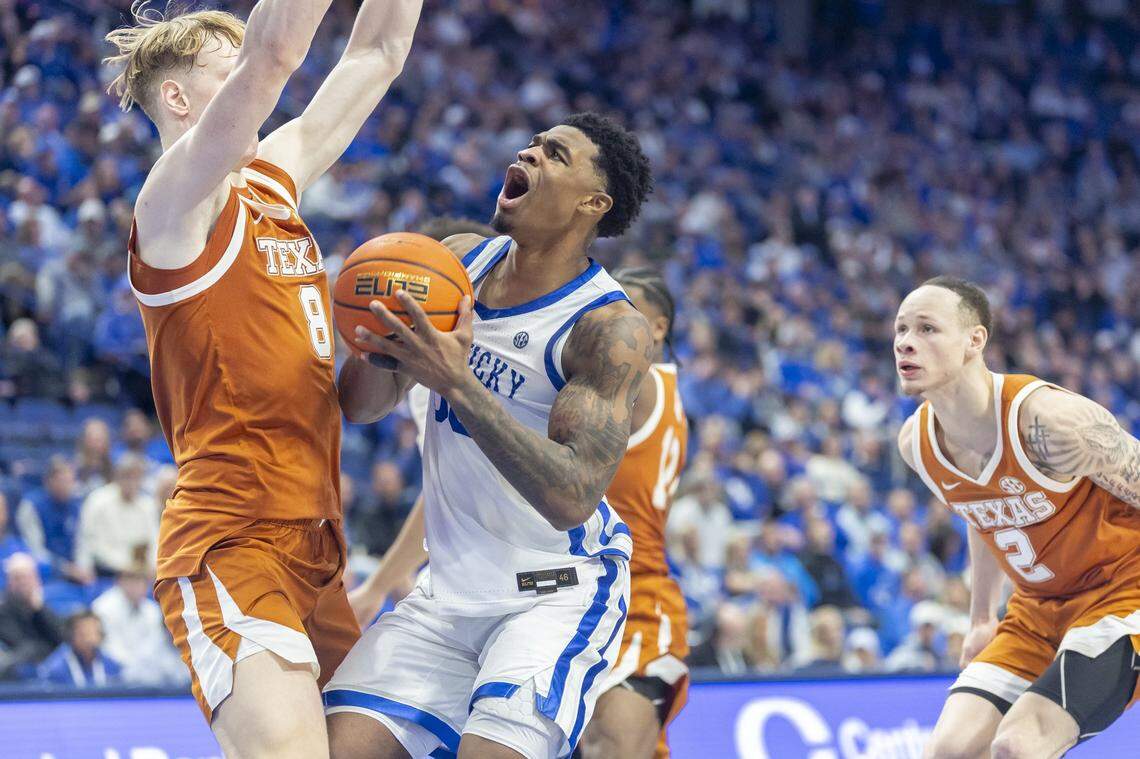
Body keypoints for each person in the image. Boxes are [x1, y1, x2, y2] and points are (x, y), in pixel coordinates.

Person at [102, 1, 423, 755]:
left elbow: (377, 54)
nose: (255, 77)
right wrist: (261, 57)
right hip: (231, 539)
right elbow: (275, 55)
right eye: (229, 66)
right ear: (179, 97)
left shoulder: (271, 185)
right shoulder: (173, 201)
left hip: (318, 542)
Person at [327, 113, 653, 759]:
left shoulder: (607, 328)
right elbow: (359, 407)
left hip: (556, 591)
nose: (529, 153)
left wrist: (458, 383)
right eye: (532, 143)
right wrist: (376, 337)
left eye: (555, 154)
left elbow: (572, 495)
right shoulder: (452, 264)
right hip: (447, 592)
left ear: (594, 203)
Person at [895, 276, 1140, 758]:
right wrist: (982, 617)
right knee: (947, 753)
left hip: (1121, 591)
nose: (905, 341)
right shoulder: (916, 444)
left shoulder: (1050, 423)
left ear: (974, 340)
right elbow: (981, 513)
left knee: (1019, 745)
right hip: (1036, 607)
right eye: (900, 329)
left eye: (927, 329)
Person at [580, 267, 690, 759]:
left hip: (633, 590)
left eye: (621, 306)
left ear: (658, 328)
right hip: (583, 585)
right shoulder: (655, 387)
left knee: (611, 742)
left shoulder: (638, 385)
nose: (606, 318)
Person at [0, 553, 65, 680]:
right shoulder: (3, 609)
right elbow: (20, 642)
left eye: (27, 577)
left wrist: (39, 610)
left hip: (52, 665)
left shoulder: (46, 605)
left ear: (37, 579)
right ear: (9, 582)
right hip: (18, 667)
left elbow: (61, 638)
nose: (23, 582)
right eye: (17, 578)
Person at [37, 610, 123, 688]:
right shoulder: (54, 669)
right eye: (84, 633)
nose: (89, 639)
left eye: (94, 632)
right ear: (71, 636)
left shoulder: (112, 666)